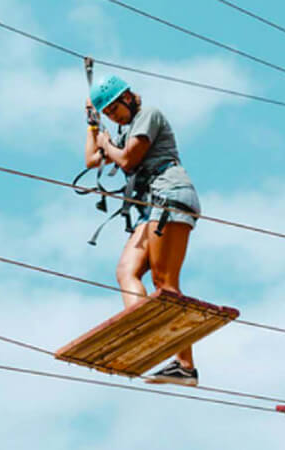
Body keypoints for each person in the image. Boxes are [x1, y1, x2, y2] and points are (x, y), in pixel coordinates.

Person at [83, 75, 202, 386]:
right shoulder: (121, 130)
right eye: (106, 113)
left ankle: (185, 366)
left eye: (113, 110)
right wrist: (93, 125)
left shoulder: (149, 115)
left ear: (127, 98)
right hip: (149, 206)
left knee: (164, 281)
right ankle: (146, 328)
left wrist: (107, 141)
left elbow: (126, 160)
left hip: (170, 196)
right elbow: (92, 159)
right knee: (126, 271)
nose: (113, 116)